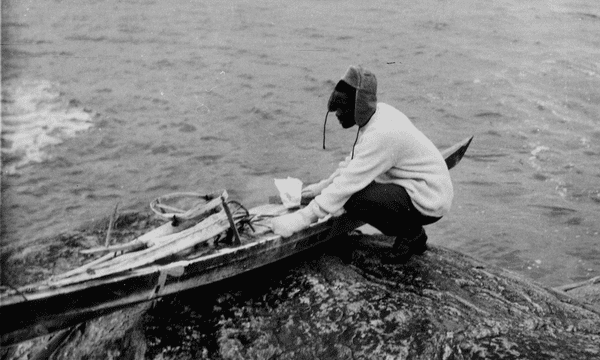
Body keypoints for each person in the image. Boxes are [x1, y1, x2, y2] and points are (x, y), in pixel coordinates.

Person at [271, 65, 453, 262]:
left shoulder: (383, 134)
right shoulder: (378, 114)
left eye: (342, 108)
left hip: (429, 198)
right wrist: (320, 188)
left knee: (353, 198)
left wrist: (300, 219)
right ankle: (410, 229)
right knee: (350, 191)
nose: (338, 114)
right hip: (418, 187)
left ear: (359, 108)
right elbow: (354, 162)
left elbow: (348, 183)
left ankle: (411, 234)